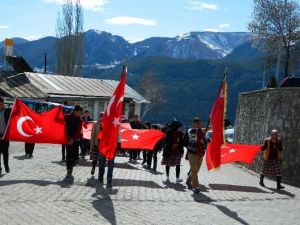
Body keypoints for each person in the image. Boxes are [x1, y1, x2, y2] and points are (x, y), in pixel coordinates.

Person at [184, 117, 206, 193]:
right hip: (192, 153)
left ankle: (188, 181)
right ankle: (196, 186)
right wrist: (202, 130)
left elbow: (204, 141)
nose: (199, 125)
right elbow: (193, 132)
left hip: (201, 153)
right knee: (194, 170)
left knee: (196, 170)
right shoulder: (191, 131)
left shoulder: (202, 132)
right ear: (194, 124)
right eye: (197, 123)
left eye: (200, 123)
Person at [65, 105, 83, 178]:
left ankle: (72, 166)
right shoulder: (67, 117)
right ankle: (69, 169)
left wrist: (72, 139)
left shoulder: (80, 120)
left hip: (76, 139)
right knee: (69, 154)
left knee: (75, 155)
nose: (80, 114)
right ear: (75, 111)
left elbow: (78, 131)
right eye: (80, 112)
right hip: (68, 139)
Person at [0, 97, 11, 175]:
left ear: (3, 103)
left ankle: (6, 166)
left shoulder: (7, 111)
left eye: (1, 104)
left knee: (5, 153)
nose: (0, 106)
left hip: (5, 135)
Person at [90, 112, 103, 176]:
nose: (102, 117)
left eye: (103, 116)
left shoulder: (106, 124)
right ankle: (93, 168)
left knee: (102, 160)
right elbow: (92, 135)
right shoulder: (95, 124)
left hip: (103, 145)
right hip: (96, 143)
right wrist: (91, 145)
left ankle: (100, 173)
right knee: (94, 158)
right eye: (101, 116)